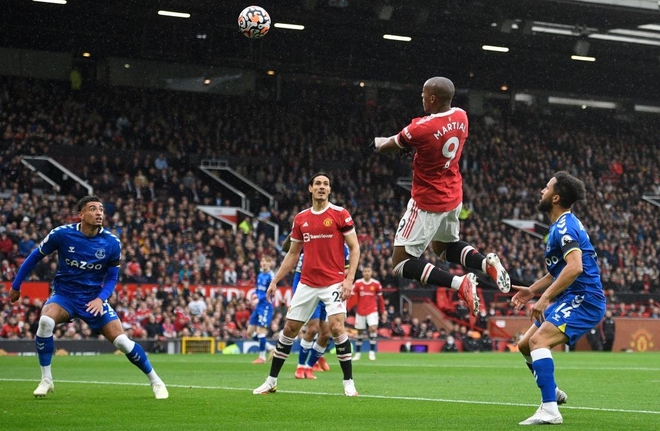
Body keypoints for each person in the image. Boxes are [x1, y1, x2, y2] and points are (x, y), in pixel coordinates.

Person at [373, 76, 511, 317]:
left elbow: (388, 146)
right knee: (444, 247)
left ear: (433, 98)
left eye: (424, 95)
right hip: (453, 194)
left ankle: (460, 283)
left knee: (400, 263)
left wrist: (376, 142)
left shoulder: (421, 128)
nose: (422, 98)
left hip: (427, 200)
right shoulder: (461, 116)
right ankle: (485, 263)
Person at [8, 195, 168, 399]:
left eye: (101, 209)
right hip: (65, 296)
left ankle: (156, 381)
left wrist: (100, 298)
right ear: (81, 214)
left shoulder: (111, 242)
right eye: (93, 209)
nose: (99, 213)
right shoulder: (62, 234)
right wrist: (16, 285)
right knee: (46, 321)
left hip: (93, 299)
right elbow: (34, 257)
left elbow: (112, 278)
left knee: (121, 342)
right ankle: (46, 379)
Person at [511, 172, 606, 425]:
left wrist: (544, 299)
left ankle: (551, 411)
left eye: (546, 187)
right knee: (524, 344)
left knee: (539, 340)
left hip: (584, 298)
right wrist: (532, 290)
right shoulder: (560, 226)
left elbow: (575, 268)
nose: (541, 190)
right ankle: (550, 390)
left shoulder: (565, 226)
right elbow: (559, 270)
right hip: (571, 296)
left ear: (555, 197)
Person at [253, 172, 360, 396]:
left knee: (337, 327)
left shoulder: (340, 214)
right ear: (310, 189)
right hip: (307, 283)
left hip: (333, 282)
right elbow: (293, 254)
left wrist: (349, 280)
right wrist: (275, 280)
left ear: (330, 190)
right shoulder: (301, 218)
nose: (322, 187)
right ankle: (271, 381)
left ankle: (348, 382)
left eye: (326, 184)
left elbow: (355, 247)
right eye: (318, 184)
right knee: (290, 329)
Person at [281, 234, 337, 380]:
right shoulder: (308, 239)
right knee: (312, 329)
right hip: (308, 288)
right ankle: (300, 366)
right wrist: (294, 233)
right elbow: (286, 248)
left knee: (325, 334)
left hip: (326, 289)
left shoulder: (333, 245)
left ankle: (310, 366)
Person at [348, 265, 384, 361]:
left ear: (371, 273)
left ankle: (372, 352)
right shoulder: (358, 283)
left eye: (368, 271)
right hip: (360, 311)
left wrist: (383, 311)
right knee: (359, 332)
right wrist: (348, 307)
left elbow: (380, 299)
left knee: (372, 329)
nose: (367, 273)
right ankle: (358, 353)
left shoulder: (376, 284)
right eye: (365, 271)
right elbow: (352, 297)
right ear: (363, 273)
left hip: (372, 310)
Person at [247, 255, 275, 364]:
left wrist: (260, 298)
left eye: (266, 261)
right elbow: (258, 289)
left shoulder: (271, 276)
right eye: (262, 261)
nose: (263, 263)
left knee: (260, 332)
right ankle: (270, 347)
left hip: (266, 306)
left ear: (269, 263)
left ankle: (262, 357)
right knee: (249, 332)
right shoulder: (259, 275)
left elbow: (271, 292)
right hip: (258, 306)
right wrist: (255, 294)